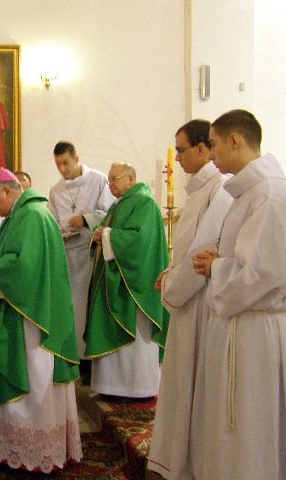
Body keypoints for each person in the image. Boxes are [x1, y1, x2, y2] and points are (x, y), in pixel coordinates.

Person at [0, 167, 82, 473]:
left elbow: (23, 270)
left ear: (7, 191)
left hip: (31, 320)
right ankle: (15, 448)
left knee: (33, 377)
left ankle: (35, 452)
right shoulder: (21, 216)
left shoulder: (31, 217)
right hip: (29, 311)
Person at [191, 110, 286, 480]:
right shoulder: (251, 193)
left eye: (214, 144)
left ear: (235, 140)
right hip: (240, 327)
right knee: (234, 429)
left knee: (249, 430)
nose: (211, 153)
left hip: (254, 333)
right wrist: (220, 259)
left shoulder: (270, 195)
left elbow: (261, 274)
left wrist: (216, 267)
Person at [147, 120, 233, 480]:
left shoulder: (220, 189)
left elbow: (204, 250)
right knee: (181, 384)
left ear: (202, 149)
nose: (177, 159)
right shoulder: (198, 189)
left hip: (200, 303)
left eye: (181, 150)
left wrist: (173, 283)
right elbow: (186, 250)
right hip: (189, 298)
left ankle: (187, 464)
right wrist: (170, 272)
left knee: (192, 385)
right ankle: (176, 459)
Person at [86, 163, 168, 400]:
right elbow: (105, 228)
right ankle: (111, 387)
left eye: (115, 179)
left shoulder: (144, 202)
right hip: (116, 280)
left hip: (135, 285)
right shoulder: (119, 204)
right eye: (109, 180)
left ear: (131, 179)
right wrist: (99, 233)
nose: (110, 184)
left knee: (137, 340)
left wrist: (107, 235)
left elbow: (140, 241)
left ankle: (137, 389)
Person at [47, 142, 115, 382]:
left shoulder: (98, 180)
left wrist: (85, 219)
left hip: (91, 255)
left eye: (66, 163)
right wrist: (59, 231)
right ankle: (74, 359)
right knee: (72, 310)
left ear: (77, 159)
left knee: (89, 309)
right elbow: (52, 220)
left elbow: (109, 212)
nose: (62, 169)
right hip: (67, 256)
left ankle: (91, 363)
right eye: (58, 164)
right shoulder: (55, 190)